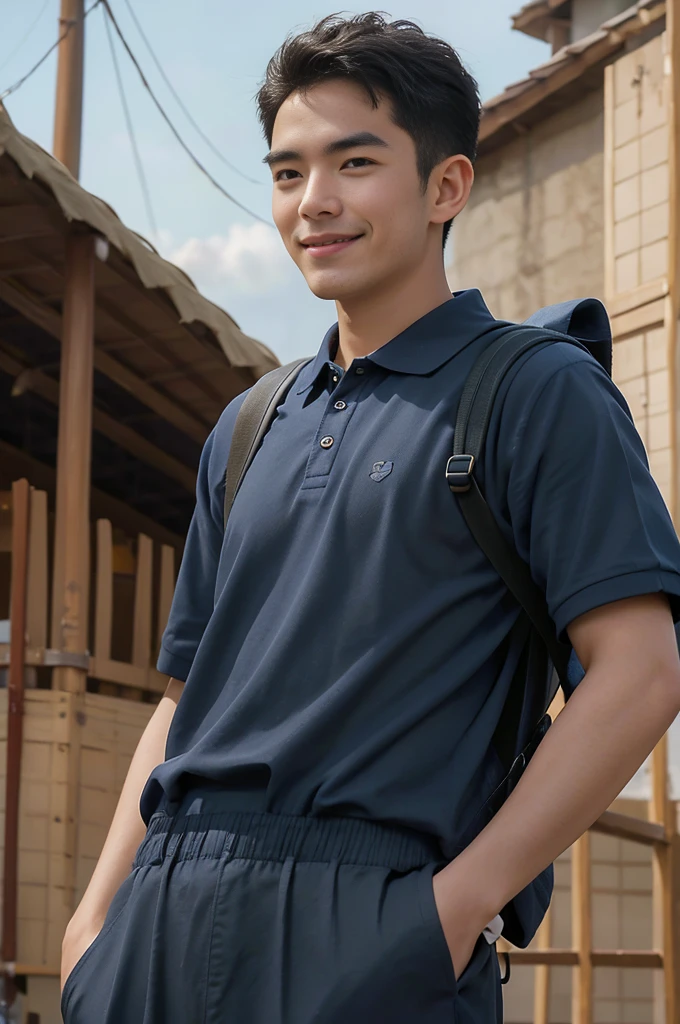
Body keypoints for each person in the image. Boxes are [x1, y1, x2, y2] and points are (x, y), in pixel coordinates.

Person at [60, 13, 680, 1024]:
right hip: (159, 922)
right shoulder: (249, 424)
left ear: (445, 187)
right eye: (288, 171)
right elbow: (185, 700)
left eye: (354, 163)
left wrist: (456, 905)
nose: (315, 203)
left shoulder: (533, 391)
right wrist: (92, 928)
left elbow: (640, 670)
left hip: (372, 918)